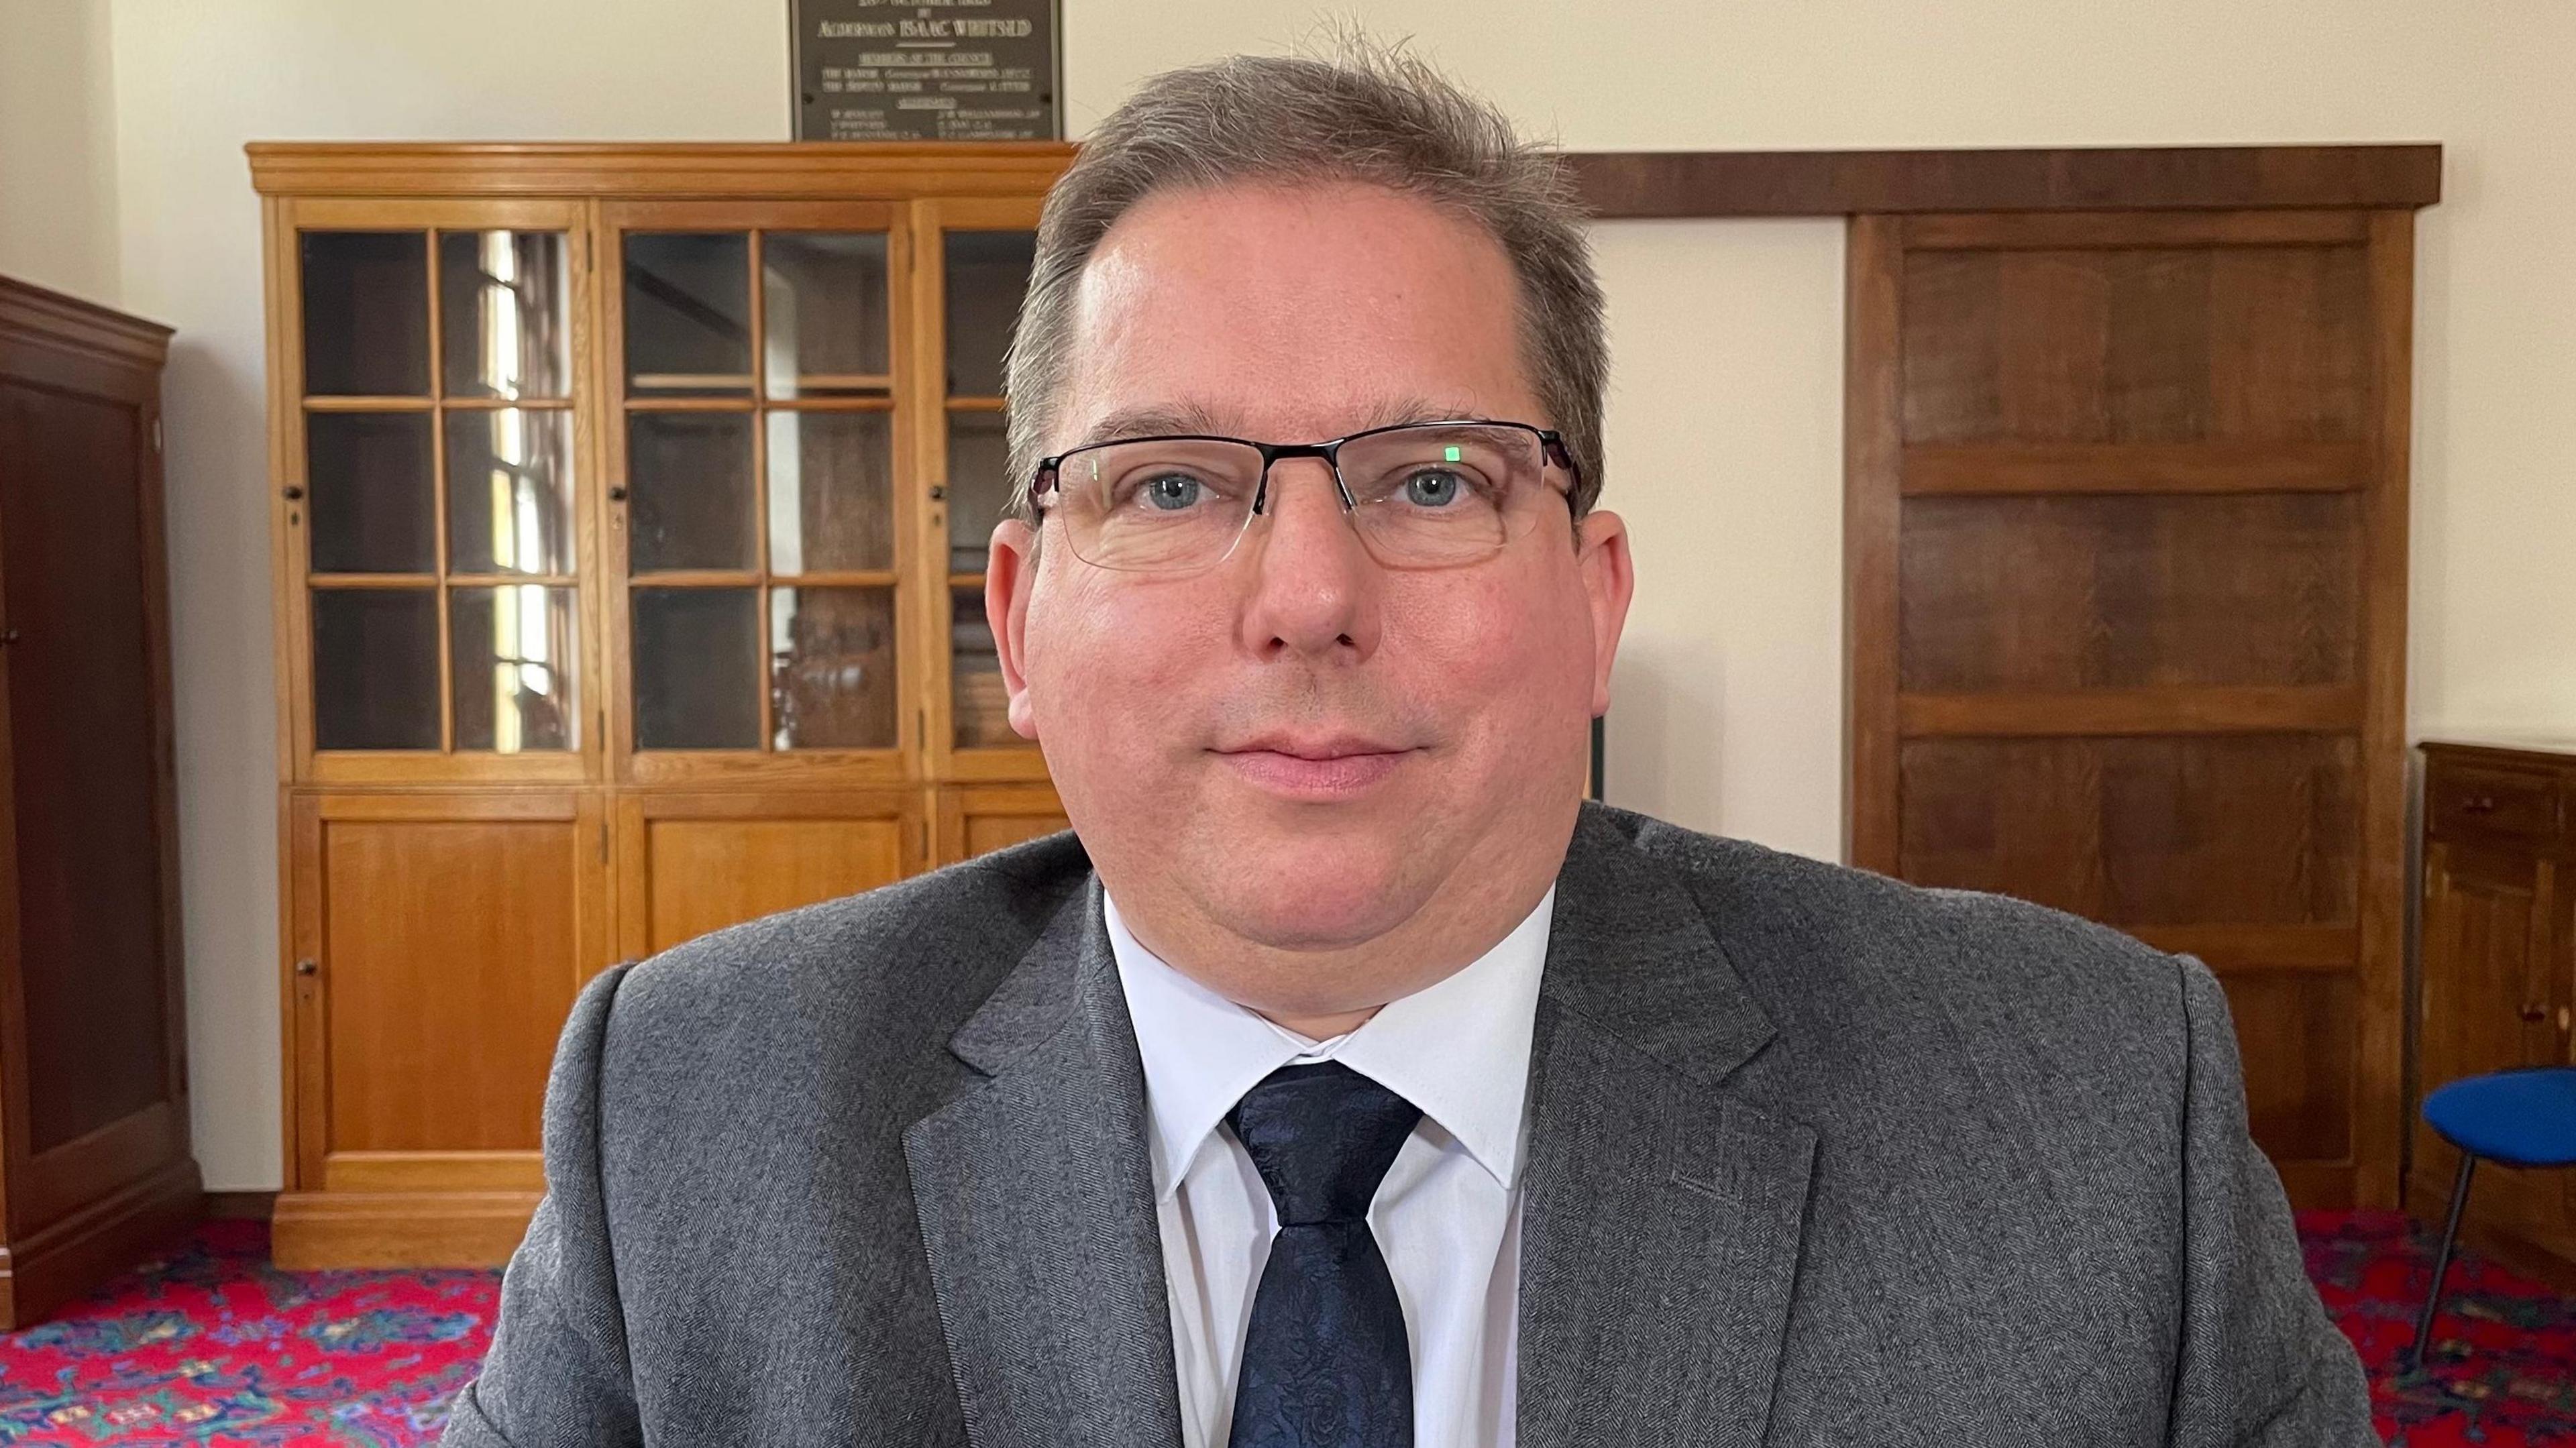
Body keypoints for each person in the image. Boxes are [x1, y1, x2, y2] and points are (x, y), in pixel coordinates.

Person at [441, 45, 2377, 1448]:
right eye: (1175, 480)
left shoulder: (2094, 1118)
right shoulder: (695, 1112)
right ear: (1021, 620)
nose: (1306, 593)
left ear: (1593, 599)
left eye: (1433, 477)